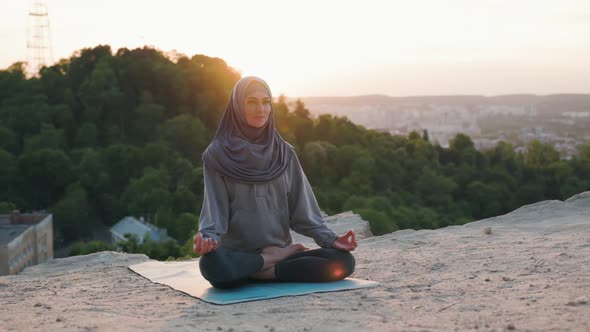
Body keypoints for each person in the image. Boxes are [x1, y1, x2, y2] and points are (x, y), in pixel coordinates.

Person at [193, 76, 357, 289]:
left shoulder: (284, 153)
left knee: (344, 262)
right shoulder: (216, 156)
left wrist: (331, 240)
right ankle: (269, 262)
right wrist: (206, 240)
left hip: (270, 255)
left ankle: (262, 271)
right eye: (251, 102)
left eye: (266, 101)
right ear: (237, 107)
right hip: (238, 255)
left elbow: (303, 211)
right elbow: (214, 213)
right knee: (212, 266)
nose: (260, 109)